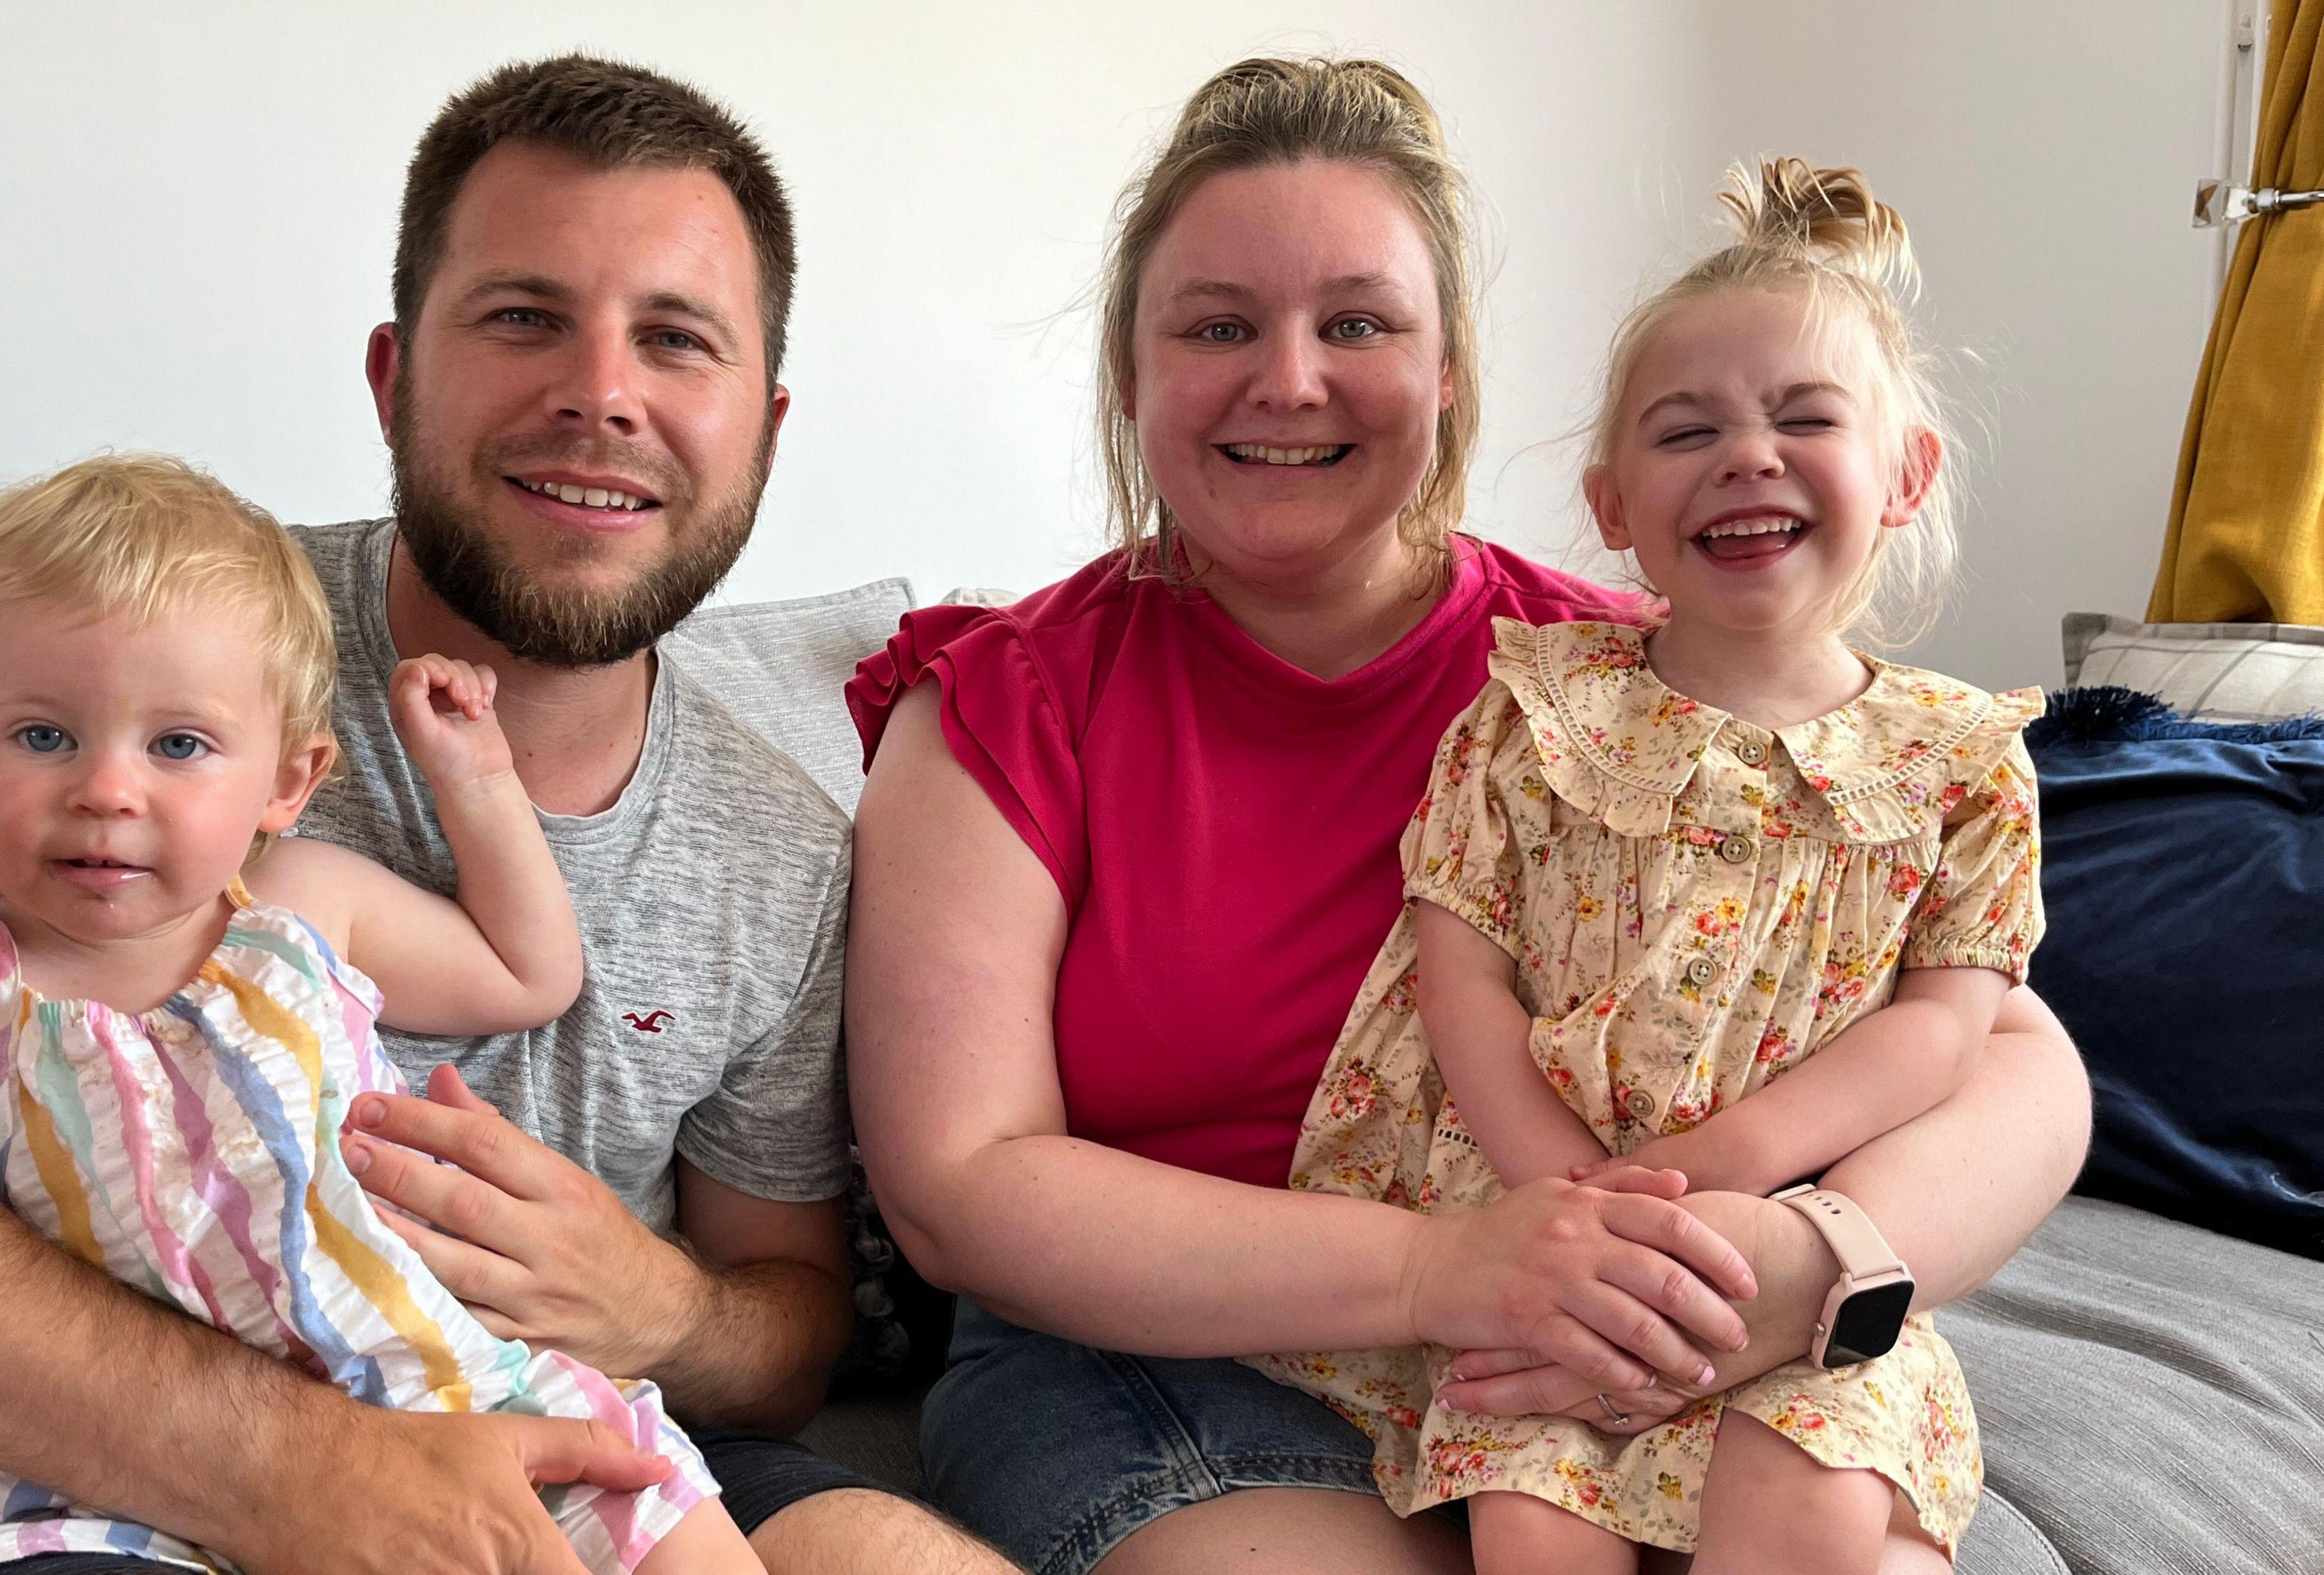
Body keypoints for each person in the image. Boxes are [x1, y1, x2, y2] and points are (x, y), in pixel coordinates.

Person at [0, 55, 1007, 1575]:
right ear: (395, 377)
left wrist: (664, 1305)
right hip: (111, 1468)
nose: (601, 391)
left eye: (677, 339)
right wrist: (286, 1464)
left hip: (569, 1427)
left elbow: (785, 1327)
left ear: (763, 425)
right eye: (523, 318)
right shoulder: (123, 651)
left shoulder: (785, 839)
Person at [844, 57, 2091, 1575]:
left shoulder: (1630, 680)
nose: (1289, 379)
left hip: (1628, 1321)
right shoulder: (1005, 701)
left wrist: (1817, 1262)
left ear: (1447, 372)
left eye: (1357, 323)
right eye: (1218, 324)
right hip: (1160, 1360)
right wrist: (1454, 1270)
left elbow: (2017, 1055)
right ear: (1131, 374)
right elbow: (960, 1191)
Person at [0, 455, 761, 1575]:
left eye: (178, 744)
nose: (108, 791)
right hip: (87, 1481)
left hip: (433, 1390)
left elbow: (527, 974)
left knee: (670, 1515)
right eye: (44, 736)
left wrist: (481, 784)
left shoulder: (306, 906)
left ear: (288, 783)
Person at [1253, 159, 2029, 1574]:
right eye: (1690, 432)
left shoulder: (1963, 759)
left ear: (1907, 473)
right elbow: (1460, 970)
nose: (1748, 456)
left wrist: (1738, 1165)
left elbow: (1951, 1024)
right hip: (1549, 1244)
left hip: (1799, 1244)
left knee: (1814, 1499)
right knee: (1537, 1521)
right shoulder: (1531, 718)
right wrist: (1567, 1196)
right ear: (1614, 503)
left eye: (1806, 419)